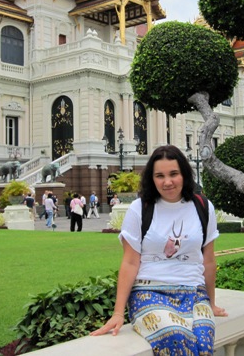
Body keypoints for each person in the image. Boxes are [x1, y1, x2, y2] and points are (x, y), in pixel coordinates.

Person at [91, 145, 227, 354]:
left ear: (184, 174)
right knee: (176, 336)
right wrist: (118, 313)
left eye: (174, 174)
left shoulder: (202, 206)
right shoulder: (140, 209)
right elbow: (129, 262)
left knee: (203, 340)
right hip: (149, 292)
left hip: (194, 292)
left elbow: (208, 260)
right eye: (160, 176)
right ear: (152, 179)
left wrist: (212, 302)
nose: (167, 182)